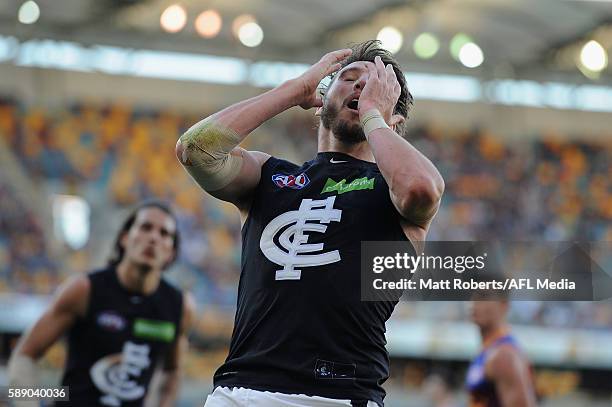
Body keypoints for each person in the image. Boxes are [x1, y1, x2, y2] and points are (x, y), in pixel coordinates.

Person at [176, 40, 444, 407]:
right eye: (349, 79)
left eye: (376, 88)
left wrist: (373, 116)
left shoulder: (394, 188)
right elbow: (196, 150)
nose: (361, 88)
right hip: (240, 392)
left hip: (338, 396)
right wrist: (292, 91)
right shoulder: (269, 177)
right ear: (322, 97)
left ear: (394, 120)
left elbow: (420, 189)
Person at [8, 200, 195, 407]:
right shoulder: (84, 290)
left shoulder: (179, 306)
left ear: (171, 252)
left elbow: (173, 371)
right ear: (125, 238)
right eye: (145, 227)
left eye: (164, 234)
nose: (153, 238)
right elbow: (24, 355)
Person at [466, 298, 537, 407]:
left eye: (484, 297)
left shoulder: (504, 355)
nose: (475, 304)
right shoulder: (488, 350)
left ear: (504, 304)